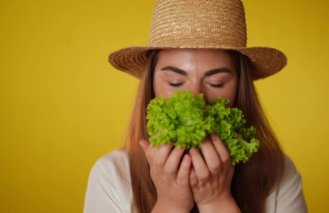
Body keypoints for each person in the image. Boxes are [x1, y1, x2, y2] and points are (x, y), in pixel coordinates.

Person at [84, 0, 308, 212]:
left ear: (240, 88)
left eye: (216, 82)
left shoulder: (279, 174)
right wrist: (171, 204)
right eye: (175, 82)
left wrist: (216, 202)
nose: (196, 99)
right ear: (151, 86)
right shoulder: (112, 175)